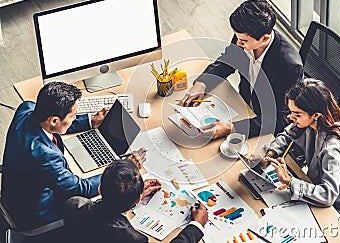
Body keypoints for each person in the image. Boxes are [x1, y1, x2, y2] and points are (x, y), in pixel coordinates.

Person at [1, 82, 146, 230]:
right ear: (54, 120)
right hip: (35, 213)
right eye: (73, 116)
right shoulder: (44, 156)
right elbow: (80, 188)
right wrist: (123, 171)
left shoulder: (27, 108)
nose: (74, 118)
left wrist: (90, 121)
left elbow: (54, 125)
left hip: (13, 190)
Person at [263, 78, 340, 241]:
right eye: (291, 112)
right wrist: (271, 153)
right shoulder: (310, 122)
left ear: (316, 115)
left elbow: (328, 195)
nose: (290, 118)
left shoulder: (332, 148)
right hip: (320, 192)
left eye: (297, 114)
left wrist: (289, 181)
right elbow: (287, 135)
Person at [180, 0, 303, 138]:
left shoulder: (289, 66)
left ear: (264, 38)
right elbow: (228, 60)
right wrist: (202, 83)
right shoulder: (244, 36)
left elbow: (282, 118)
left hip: (262, 124)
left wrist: (231, 128)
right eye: (237, 37)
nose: (238, 43)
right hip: (243, 104)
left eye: (243, 41)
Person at [64, 159, 208, 243]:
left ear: (100, 189)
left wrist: (128, 195)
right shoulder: (133, 239)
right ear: (139, 199)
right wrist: (196, 226)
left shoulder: (74, 204)